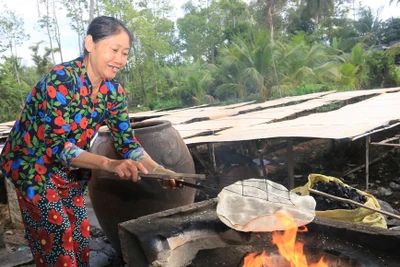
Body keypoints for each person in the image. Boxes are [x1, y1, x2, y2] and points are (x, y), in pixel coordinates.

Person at [0, 16, 178, 267]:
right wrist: (109, 164)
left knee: (80, 234)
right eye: (114, 50)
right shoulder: (61, 80)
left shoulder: (113, 92)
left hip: (68, 167)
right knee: (57, 230)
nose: (120, 59)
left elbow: (127, 143)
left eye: (125, 53)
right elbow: (57, 146)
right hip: (30, 164)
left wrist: (158, 170)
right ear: (90, 43)